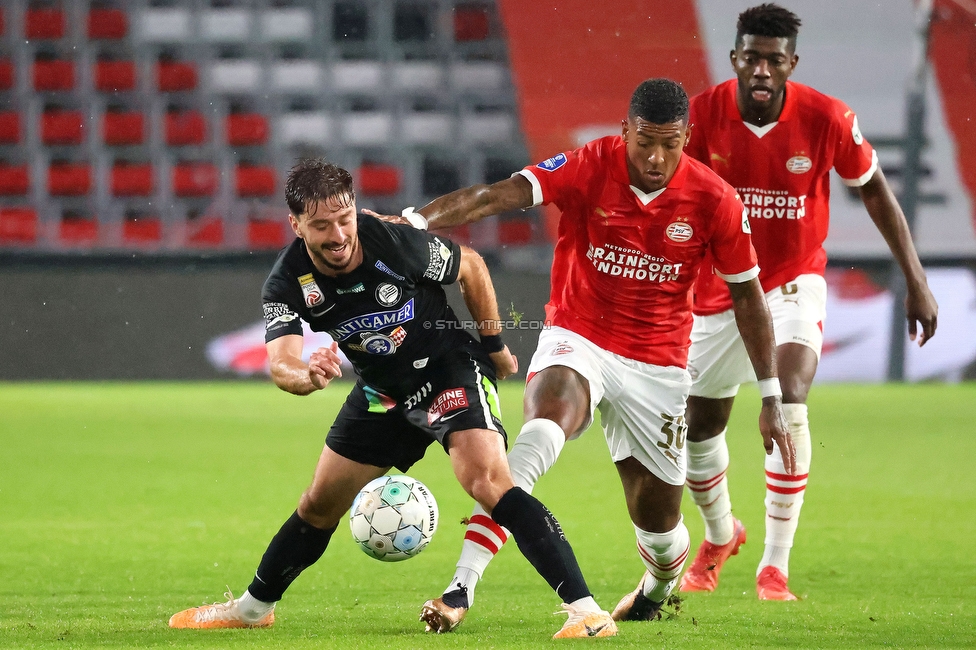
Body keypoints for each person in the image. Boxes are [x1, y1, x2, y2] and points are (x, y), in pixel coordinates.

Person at [373, 78, 795, 632]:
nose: (656, 157)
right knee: (545, 427)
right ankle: (461, 586)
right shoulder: (587, 164)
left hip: (660, 364)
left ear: (687, 138)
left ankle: (657, 585)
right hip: (580, 336)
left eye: (671, 144)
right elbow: (494, 195)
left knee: (661, 531)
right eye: (645, 142)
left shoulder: (715, 199)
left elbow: (748, 297)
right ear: (625, 131)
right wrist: (418, 222)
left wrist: (771, 397)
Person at [167, 159, 618, 640]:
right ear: (295, 225)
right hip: (382, 391)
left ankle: (587, 611)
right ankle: (253, 608)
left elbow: (470, 265)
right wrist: (307, 374)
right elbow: (281, 363)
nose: (339, 235)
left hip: (446, 370)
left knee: (486, 480)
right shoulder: (286, 282)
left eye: (344, 218)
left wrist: (494, 346)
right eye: (321, 226)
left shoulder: (390, 240)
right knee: (319, 505)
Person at [677, 3, 939, 601]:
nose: (762, 69)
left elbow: (875, 191)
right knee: (698, 426)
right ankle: (721, 534)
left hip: (792, 281)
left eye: (775, 59)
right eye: (752, 58)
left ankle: (774, 566)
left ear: (791, 63)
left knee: (789, 397)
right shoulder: (700, 118)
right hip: (720, 290)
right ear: (735, 59)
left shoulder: (826, 118)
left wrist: (916, 279)